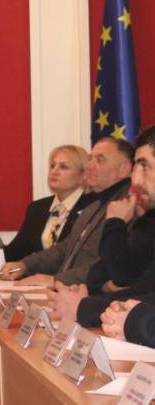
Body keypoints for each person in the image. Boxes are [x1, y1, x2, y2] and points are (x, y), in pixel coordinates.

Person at [48, 127, 155, 330]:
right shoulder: (96, 206)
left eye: (144, 165)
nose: (136, 179)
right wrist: (97, 291)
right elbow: (103, 272)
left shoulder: (130, 205)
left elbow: (123, 274)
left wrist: (115, 222)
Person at [1, 137, 133, 286]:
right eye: (90, 159)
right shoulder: (94, 206)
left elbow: (107, 265)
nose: (89, 165)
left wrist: (56, 280)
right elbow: (64, 249)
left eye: (99, 160)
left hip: (92, 293)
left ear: (124, 169)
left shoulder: (130, 205)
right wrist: (25, 265)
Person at [4, 145, 93, 261]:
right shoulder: (37, 208)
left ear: (83, 175)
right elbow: (16, 252)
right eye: (52, 166)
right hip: (38, 272)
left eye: (64, 167)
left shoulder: (92, 208)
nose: (54, 171)